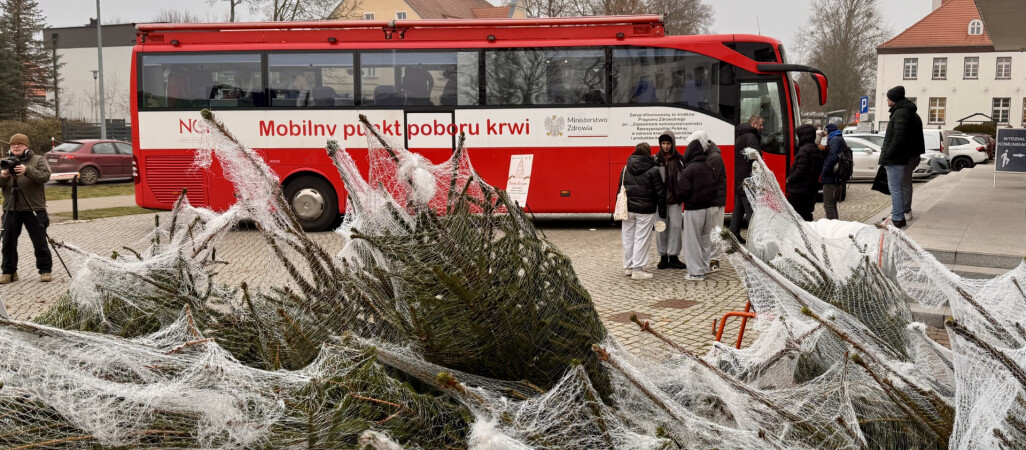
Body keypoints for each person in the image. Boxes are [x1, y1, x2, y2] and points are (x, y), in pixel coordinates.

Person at [1, 133, 52, 284]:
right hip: (11, 209)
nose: (16, 146)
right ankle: (9, 272)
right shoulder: (4, 162)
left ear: (27, 146)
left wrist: (27, 170)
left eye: (20, 144)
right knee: (8, 243)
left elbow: (45, 177)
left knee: (39, 242)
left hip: (34, 208)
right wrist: (3, 176)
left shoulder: (38, 160)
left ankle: (45, 270)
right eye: (13, 144)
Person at [879, 86, 924, 228]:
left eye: (888, 97)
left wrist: (888, 154)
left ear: (894, 98)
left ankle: (900, 214)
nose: (887, 100)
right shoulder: (908, 112)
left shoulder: (901, 113)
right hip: (908, 155)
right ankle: (899, 213)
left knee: (898, 186)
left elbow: (899, 137)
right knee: (901, 185)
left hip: (902, 156)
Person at [619, 143, 665, 280]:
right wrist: (662, 211)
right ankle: (637, 269)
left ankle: (628, 266)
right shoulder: (653, 170)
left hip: (628, 208)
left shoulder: (626, 168)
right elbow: (660, 193)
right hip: (646, 209)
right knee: (641, 238)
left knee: (627, 237)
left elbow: (620, 190)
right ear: (648, 153)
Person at [684, 131, 726, 271]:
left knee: (715, 232)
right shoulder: (710, 155)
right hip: (710, 200)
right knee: (709, 233)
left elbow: (709, 180)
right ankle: (708, 261)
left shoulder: (714, 157)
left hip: (714, 201)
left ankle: (714, 262)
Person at [676, 138, 718, 281]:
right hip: (707, 208)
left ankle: (696, 272)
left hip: (693, 209)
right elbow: (714, 187)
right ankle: (705, 267)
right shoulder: (708, 166)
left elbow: (682, 191)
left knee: (692, 240)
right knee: (705, 239)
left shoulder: (689, 169)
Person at [654, 130, 686, 270]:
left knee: (676, 227)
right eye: (663, 143)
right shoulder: (655, 159)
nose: (666, 146)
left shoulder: (680, 160)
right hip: (660, 201)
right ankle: (663, 256)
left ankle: (673, 256)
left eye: (668, 143)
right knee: (660, 228)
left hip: (675, 200)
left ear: (673, 144)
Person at [729, 115, 763, 243]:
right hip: (748, 178)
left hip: (740, 177)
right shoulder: (751, 136)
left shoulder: (741, 136)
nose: (762, 127)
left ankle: (733, 235)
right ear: (754, 124)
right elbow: (756, 156)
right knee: (750, 209)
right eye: (760, 125)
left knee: (739, 209)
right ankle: (754, 239)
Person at [787, 124, 824, 221]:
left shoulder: (804, 151)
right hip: (811, 189)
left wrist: (789, 179)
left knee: (798, 216)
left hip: (800, 191)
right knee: (807, 214)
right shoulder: (815, 149)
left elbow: (800, 170)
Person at [820, 123, 845, 220]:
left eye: (825, 130)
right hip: (835, 176)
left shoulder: (834, 139)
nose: (824, 133)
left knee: (828, 205)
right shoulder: (837, 138)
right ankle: (836, 223)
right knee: (832, 204)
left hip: (831, 176)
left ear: (828, 130)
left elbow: (832, 157)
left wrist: (824, 171)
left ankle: (832, 225)